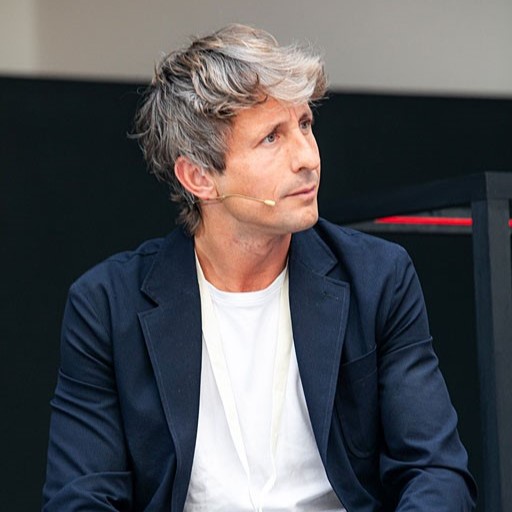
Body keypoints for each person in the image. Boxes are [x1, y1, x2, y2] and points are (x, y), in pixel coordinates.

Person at [42, 24, 476, 511]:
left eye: (305, 125)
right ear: (199, 177)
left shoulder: (377, 279)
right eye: (272, 138)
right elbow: (80, 496)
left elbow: (435, 471)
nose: (307, 158)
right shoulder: (107, 306)